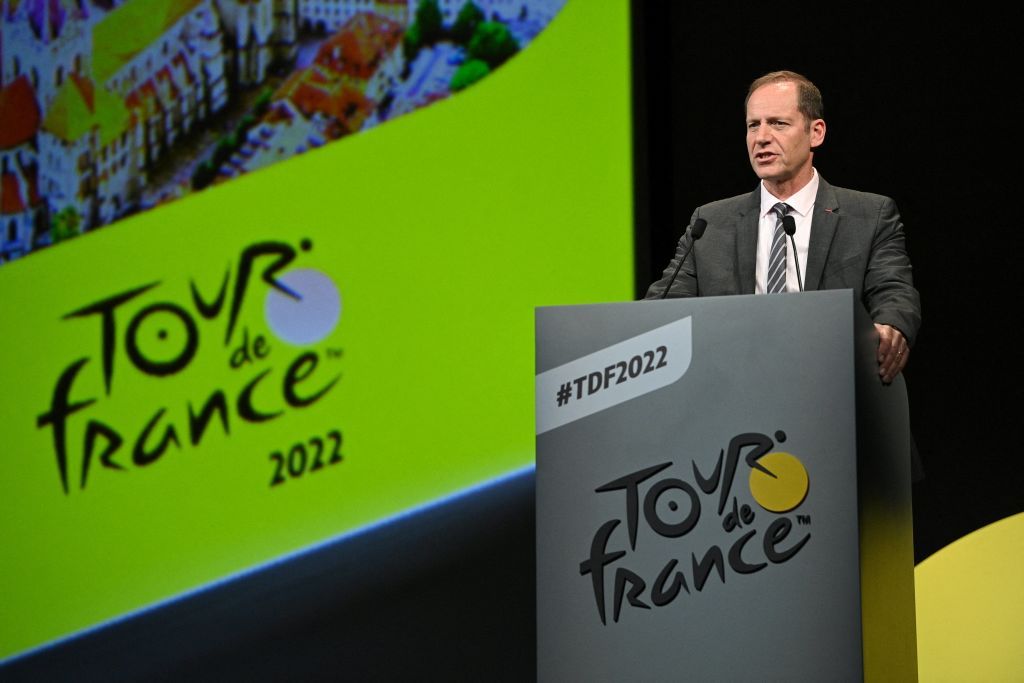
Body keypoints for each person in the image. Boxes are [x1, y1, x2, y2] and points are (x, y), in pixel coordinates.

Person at [645, 70, 921, 386]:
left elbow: (894, 290)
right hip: (734, 391)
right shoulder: (710, 223)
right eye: (753, 125)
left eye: (778, 123)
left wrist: (891, 325)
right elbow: (663, 306)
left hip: (833, 388)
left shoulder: (869, 215)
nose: (761, 137)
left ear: (816, 132)